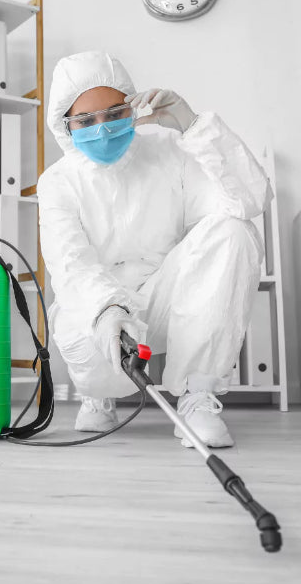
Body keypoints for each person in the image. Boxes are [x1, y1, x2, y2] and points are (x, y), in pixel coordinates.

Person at [37, 51, 272, 448]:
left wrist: (192, 126)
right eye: (86, 121)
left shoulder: (170, 152)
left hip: (164, 298)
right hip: (95, 313)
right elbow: (70, 263)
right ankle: (98, 395)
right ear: (65, 125)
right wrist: (106, 309)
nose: (103, 128)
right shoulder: (57, 182)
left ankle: (197, 398)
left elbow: (248, 200)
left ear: (132, 107)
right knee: (98, 363)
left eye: (113, 113)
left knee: (234, 230)